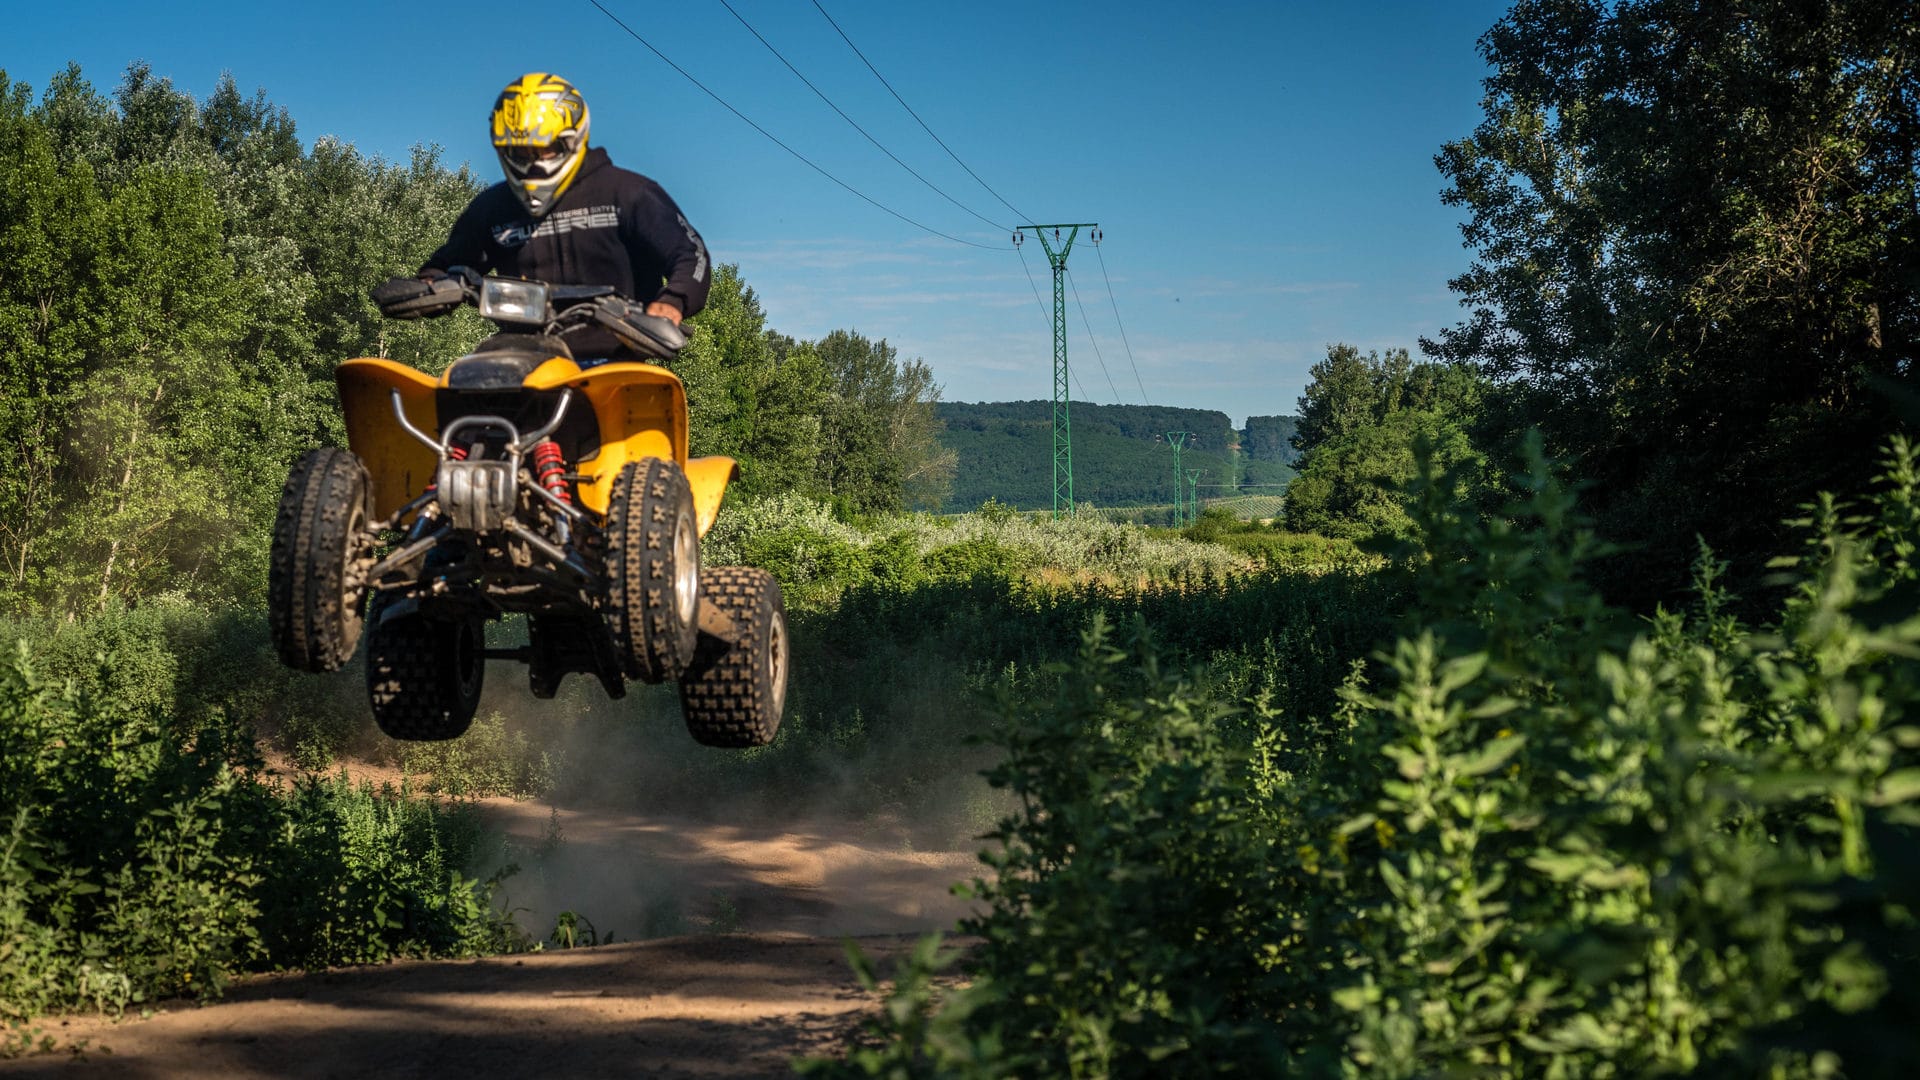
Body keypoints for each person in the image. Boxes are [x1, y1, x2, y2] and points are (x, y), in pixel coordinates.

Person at [415, 72, 710, 360]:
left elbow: (690, 254)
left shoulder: (628, 192)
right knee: (460, 382)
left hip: (617, 360)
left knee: (656, 391)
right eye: (519, 152)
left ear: (573, 139)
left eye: (544, 149)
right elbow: (446, 265)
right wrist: (428, 286)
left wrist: (673, 302)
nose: (532, 163)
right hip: (522, 359)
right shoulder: (492, 207)